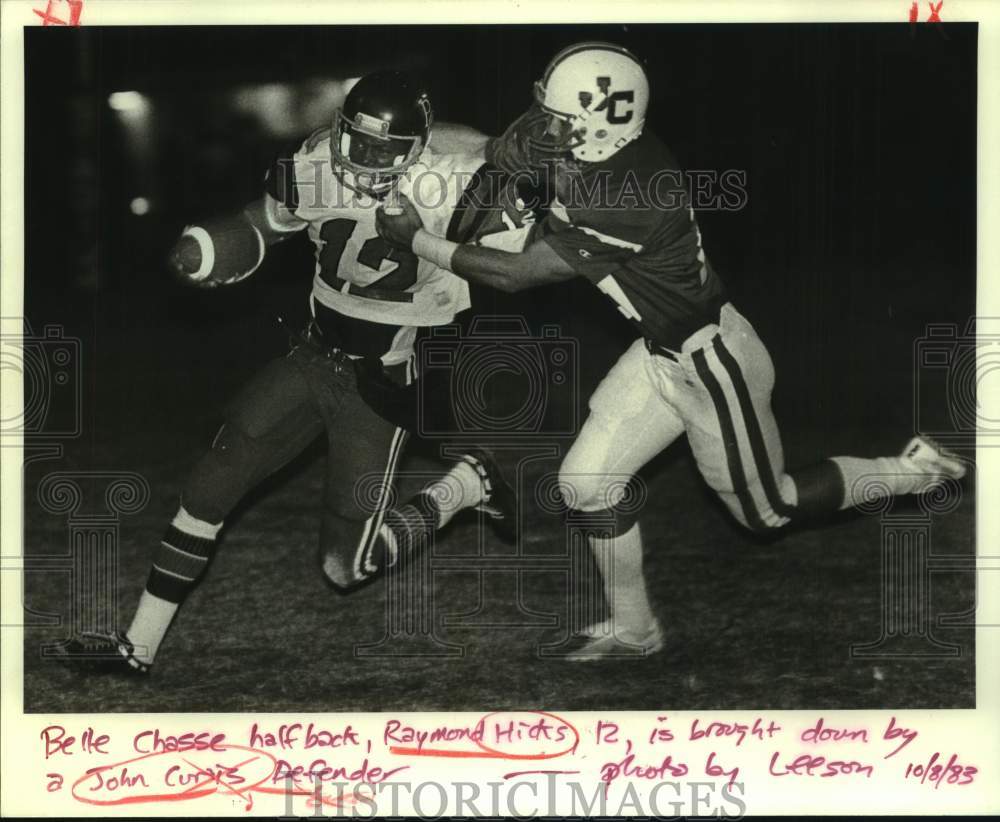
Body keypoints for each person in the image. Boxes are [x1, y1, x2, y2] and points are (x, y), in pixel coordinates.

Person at [374, 42, 969, 660]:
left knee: (769, 511)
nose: (542, 125)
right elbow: (508, 154)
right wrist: (452, 150)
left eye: (556, 118)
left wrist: (417, 238)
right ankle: (636, 632)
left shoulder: (624, 192)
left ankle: (913, 470)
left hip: (714, 365)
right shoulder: (599, 150)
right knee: (586, 486)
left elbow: (515, 275)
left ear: (591, 126)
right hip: (662, 352)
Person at [60, 71, 531, 675]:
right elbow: (264, 224)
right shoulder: (314, 159)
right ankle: (138, 646)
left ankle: (466, 485)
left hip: (383, 381)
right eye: (356, 142)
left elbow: (512, 266)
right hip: (313, 353)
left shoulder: (462, 181)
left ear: (419, 148)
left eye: (384, 150)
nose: (363, 161)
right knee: (211, 481)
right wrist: (227, 244)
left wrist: (498, 178)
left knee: (346, 567)